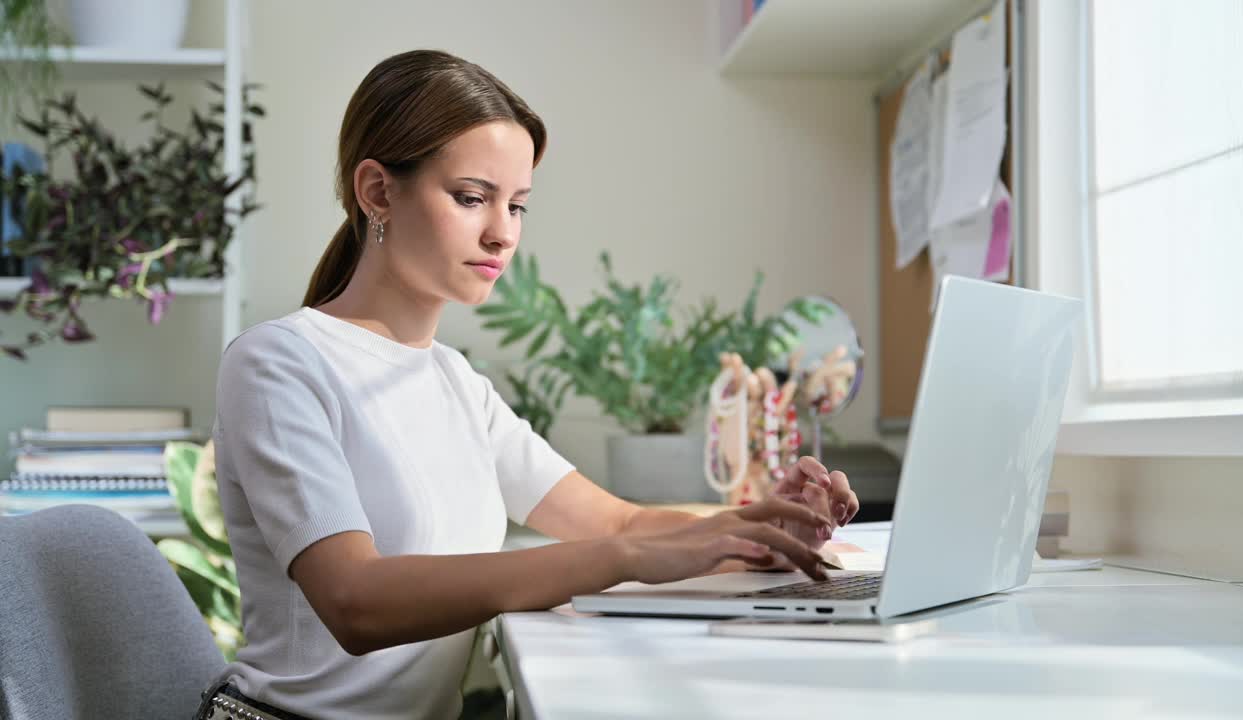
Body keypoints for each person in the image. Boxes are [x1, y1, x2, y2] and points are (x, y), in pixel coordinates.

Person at [195, 49, 859, 720]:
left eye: (516, 206)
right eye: (471, 198)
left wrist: (758, 529)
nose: (502, 234)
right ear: (377, 192)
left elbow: (615, 519)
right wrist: (623, 557)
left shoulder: (455, 382)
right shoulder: (278, 363)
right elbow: (356, 601)